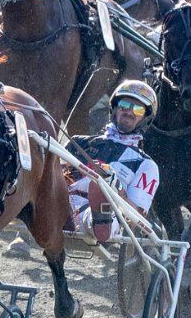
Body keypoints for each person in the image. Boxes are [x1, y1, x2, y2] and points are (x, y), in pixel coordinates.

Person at [64, 80, 160, 243]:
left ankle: (99, 218)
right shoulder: (78, 143)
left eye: (138, 109)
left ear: (145, 118)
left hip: (106, 218)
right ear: (114, 109)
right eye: (124, 105)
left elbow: (135, 218)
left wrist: (117, 190)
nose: (129, 111)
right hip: (62, 205)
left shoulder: (145, 164)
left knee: (102, 207)